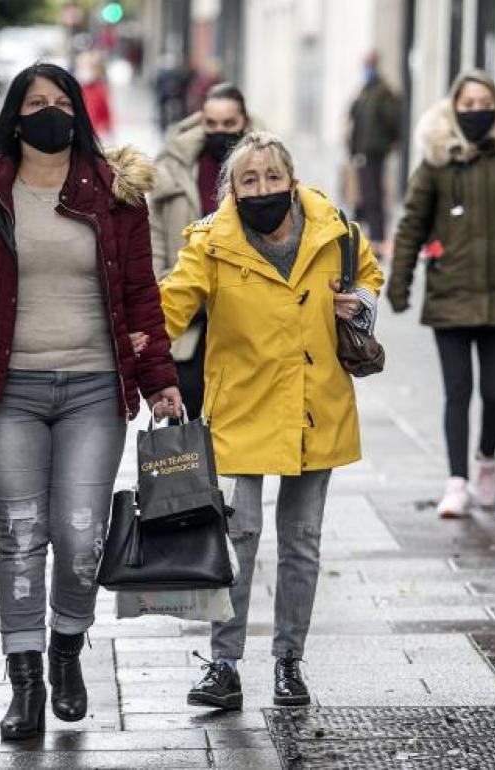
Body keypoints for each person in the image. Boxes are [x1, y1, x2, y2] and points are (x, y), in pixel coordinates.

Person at [0, 63, 182, 741]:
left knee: (82, 536)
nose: (50, 112)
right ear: (15, 115)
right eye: (36, 103)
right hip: (7, 392)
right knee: (23, 537)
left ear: (78, 114)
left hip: (94, 385)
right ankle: (24, 680)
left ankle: (67, 651)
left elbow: (142, 297)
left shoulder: (114, 193)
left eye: (62, 102)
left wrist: (161, 382)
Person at [152, 131, 384, 710]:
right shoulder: (211, 243)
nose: (262, 189)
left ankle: (289, 663)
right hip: (242, 408)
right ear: (231, 189)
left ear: (292, 180)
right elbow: (171, 306)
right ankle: (224, 665)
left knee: (302, 542)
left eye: (272, 177)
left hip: (315, 405)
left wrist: (358, 302)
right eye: (248, 180)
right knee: (239, 537)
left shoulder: (336, 232)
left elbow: (370, 278)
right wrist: (136, 346)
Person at [388, 69, 495, 518]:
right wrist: (399, 284)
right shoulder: (436, 162)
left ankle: (486, 458)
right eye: (468, 104)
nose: (476, 112)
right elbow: (410, 227)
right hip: (450, 295)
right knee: (457, 391)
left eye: (485, 104)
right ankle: (456, 482)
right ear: (453, 108)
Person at [148, 82, 259, 419]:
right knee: (186, 443)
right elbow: (155, 241)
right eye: (211, 123)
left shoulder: (267, 172)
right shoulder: (174, 167)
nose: (219, 132)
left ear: (245, 122)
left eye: (229, 124)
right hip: (188, 327)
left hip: (246, 323)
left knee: (242, 439)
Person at [347, 51, 402, 260]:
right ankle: (362, 239)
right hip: (360, 152)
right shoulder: (364, 91)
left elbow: (392, 120)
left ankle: (377, 243)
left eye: (369, 64)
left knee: (373, 198)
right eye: (365, 64)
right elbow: (354, 116)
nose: (367, 68)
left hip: (375, 152)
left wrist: (390, 142)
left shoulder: (383, 92)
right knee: (363, 198)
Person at [76, 52, 113, 138]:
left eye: (88, 67)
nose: (84, 70)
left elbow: (106, 116)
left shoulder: (100, 90)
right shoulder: (73, 88)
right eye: (82, 66)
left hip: (93, 136)